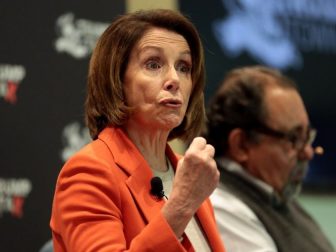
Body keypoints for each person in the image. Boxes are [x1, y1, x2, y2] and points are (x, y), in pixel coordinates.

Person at [50, 9, 225, 252]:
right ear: (116, 79)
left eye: (184, 67)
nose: (174, 78)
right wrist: (182, 205)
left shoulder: (187, 171)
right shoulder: (89, 173)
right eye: (153, 64)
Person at [205, 65, 334, 252]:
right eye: (293, 139)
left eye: (307, 136)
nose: (308, 152)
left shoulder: (275, 195)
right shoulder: (221, 207)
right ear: (241, 145)